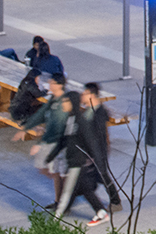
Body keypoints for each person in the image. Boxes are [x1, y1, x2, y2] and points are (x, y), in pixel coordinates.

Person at [49, 92, 111, 226]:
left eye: (65, 101)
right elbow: (63, 141)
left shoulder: (81, 122)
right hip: (74, 161)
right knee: (83, 189)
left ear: (72, 103)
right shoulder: (70, 120)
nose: (63, 104)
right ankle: (100, 212)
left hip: (79, 162)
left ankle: (56, 219)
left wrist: (99, 164)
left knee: (67, 191)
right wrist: (51, 155)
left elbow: (91, 142)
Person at [81, 83, 123, 210]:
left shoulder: (99, 113)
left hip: (97, 151)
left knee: (102, 175)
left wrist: (94, 153)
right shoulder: (89, 111)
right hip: (91, 151)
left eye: (84, 94)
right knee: (99, 175)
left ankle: (115, 201)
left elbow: (98, 136)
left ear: (91, 95)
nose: (82, 96)